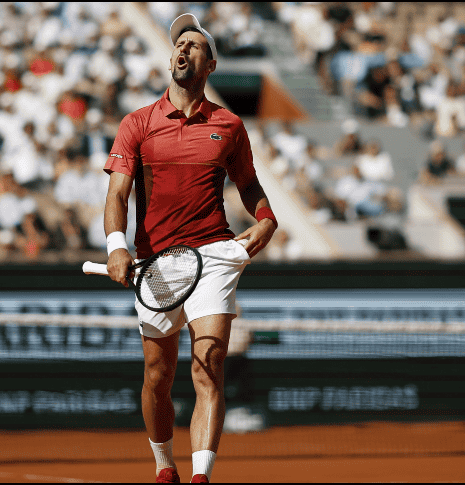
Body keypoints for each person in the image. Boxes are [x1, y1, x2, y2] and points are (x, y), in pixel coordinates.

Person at [102, 13, 276, 484]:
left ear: (210, 63)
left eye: (194, 45)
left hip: (214, 254)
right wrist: (118, 246)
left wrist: (267, 220)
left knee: (209, 365)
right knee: (157, 378)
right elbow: (117, 196)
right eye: (179, 43)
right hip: (156, 262)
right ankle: (164, 465)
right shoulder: (137, 123)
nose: (183, 49)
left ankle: (201, 477)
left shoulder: (230, 125)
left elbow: (250, 186)